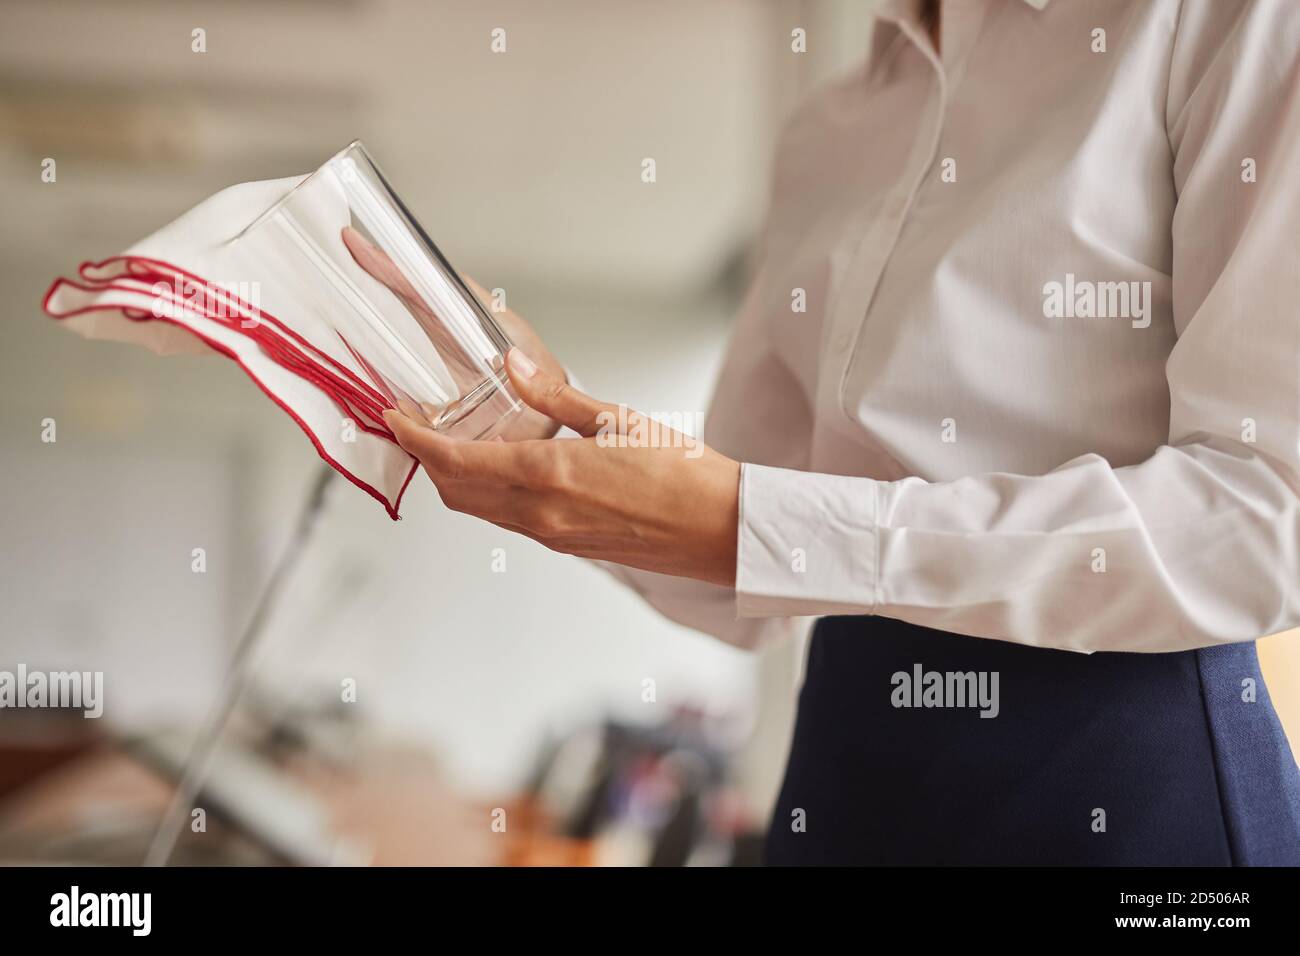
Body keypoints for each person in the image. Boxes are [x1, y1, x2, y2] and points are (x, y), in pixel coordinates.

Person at [381, 0, 1300, 864]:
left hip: (1124, 775)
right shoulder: (832, 129)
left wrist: (784, 532)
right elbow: (744, 529)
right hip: (849, 764)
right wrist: (539, 423)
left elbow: (1270, 515)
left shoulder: (1223, 22)